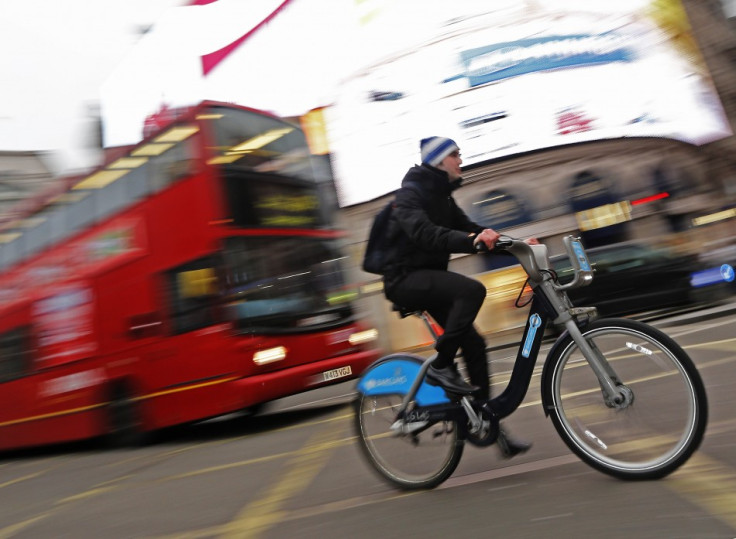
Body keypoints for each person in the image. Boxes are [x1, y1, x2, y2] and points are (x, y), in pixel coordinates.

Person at [382, 136, 534, 458]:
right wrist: (471, 240)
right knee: (471, 289)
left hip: (429, 279)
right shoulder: (410, 194)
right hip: (404, 279)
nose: (460, 160)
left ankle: (485, 421)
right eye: (455, 155)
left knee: (476, 345)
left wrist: (519, 242)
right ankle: (442, 364)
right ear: (438, 161)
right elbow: (423, 232)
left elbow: (474, 229)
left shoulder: (443, 199)